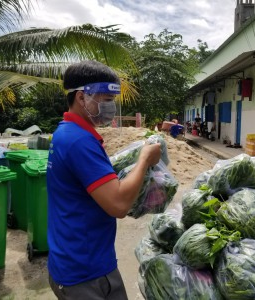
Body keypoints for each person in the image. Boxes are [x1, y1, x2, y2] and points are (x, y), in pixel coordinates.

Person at [46, 60, 161, 300]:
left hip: (77, 258)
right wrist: (144, 160)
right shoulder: (79, 141)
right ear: (81, 97)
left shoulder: (65, 132)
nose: (110, 107)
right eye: (105, 100)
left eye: (112, 101)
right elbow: (118, 205)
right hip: (85, 272)